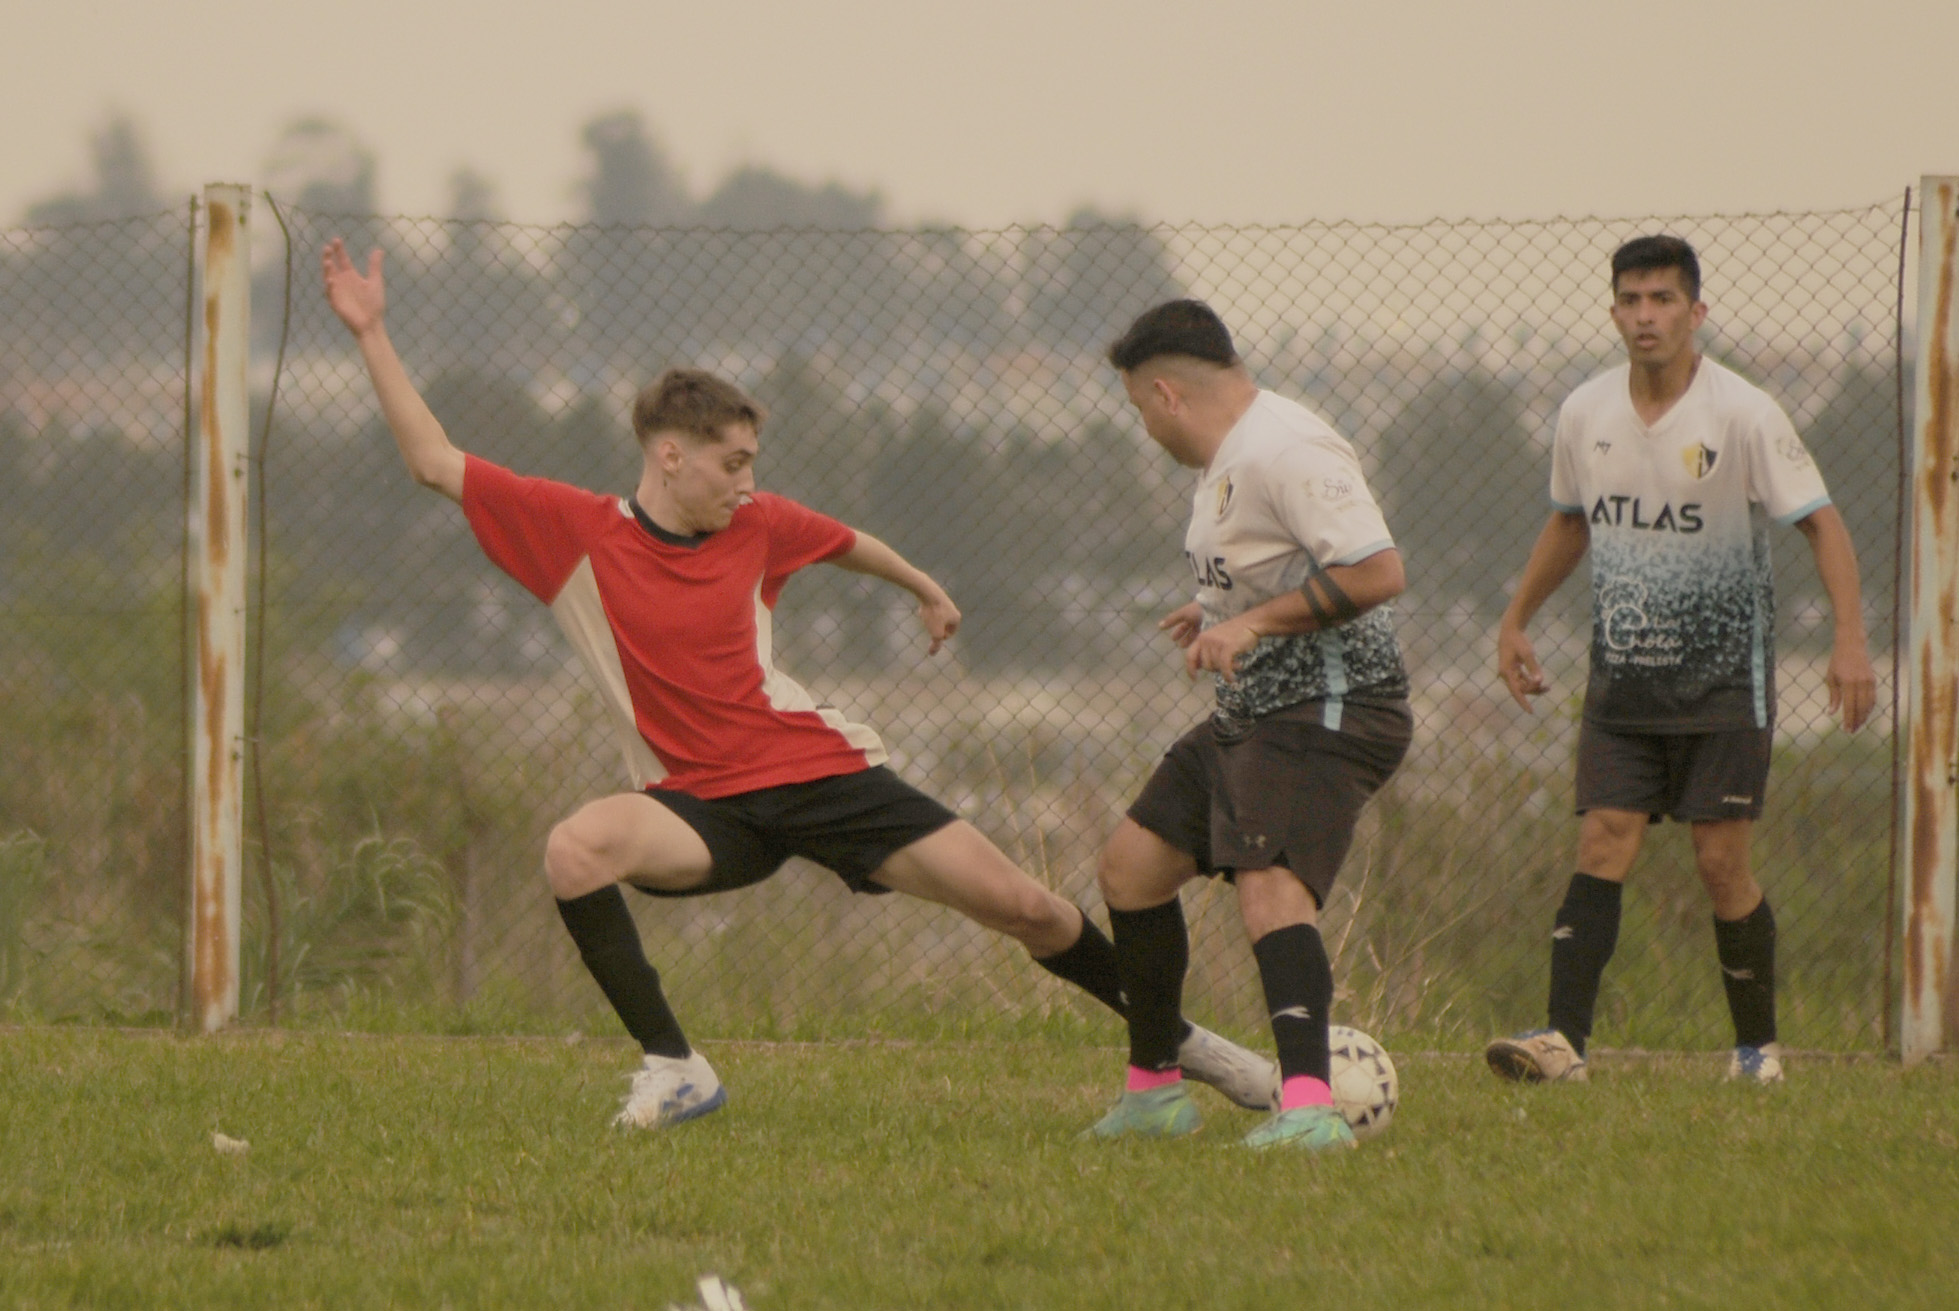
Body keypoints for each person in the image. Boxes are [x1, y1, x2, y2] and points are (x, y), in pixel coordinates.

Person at [319, 240, 1278, 1130]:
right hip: (699, 806)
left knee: (1027, 909)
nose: (746, 483)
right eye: (730, 464)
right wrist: (370, 331)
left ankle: (1183, 1047)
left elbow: (847, 541)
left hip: (820, 776)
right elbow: (432, 461)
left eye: (753, 465)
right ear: (669, 455)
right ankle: (675, 1066)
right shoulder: (574, 533)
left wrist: (923, 586)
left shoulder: (759, 522)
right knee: (575, 848)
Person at [1485, 235, 1876, 1086]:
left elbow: (1822, 522)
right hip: (1622, 683)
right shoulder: (1583, 411)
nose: (1645, 316)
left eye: (1662, 299)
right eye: (1630, 300)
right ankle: (1562, 1043)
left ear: (1695, 312)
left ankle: (1756, 1051)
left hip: (1722, 683)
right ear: (1612, 311)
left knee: (1719, 862)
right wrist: (1516, 618)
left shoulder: (1743, 413)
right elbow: (1568, 521)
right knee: (1601, 841)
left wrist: (1848, 640)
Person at [1084, 300, 1412, 1151]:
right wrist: (1214, 610)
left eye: (1138, 407)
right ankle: (1154, 1094)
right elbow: (1277, 567)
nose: (1145, 427)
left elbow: (1376, 571)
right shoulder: (1227, 462)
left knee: (1269, 885)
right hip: (1254, 712)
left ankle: (1307, 1110)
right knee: (1130, 869)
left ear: (1165, 394)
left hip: (1331, 707)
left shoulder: (1285, 446)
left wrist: (1253, 624)